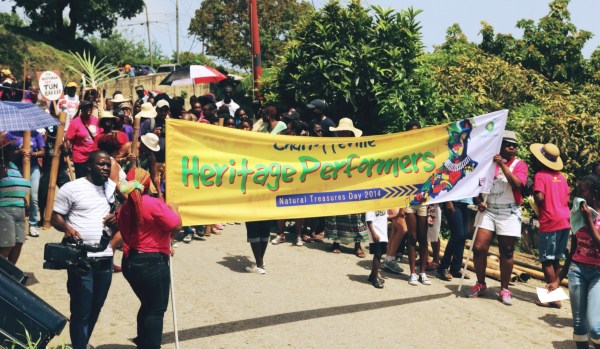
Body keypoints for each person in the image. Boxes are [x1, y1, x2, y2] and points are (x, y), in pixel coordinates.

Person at [51, 150, 117, 349]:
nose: (105, 168)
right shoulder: (72, 188)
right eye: (101, 164)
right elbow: (55, 217)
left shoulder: (112, 188)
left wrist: (117, 217)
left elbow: (121, 212)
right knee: (81, 309)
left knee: (96, 306)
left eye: (108, 165)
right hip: (81, 259)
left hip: (105, 257)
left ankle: (82, 343)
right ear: (89, 166)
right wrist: (67, 228)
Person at [118, 168, 182, 348]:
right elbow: (175, 225)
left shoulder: (124, 208)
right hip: (152, 263)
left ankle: (142, 341)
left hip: (131, 261)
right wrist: (175, 209)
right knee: (155, 309)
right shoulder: (153, 204)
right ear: (148, 184)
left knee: (147, 303)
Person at [466, 130, 528, 305]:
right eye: (507, 145)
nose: (511, 148)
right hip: (489, 210)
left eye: (514, 146)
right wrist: (478, 201)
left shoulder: (520, 165)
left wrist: (503, 165)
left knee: (506, 251)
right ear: (499, 146)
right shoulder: (487, 163)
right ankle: (481, 283)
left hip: (508, 212)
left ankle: (504, 289)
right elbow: (477, 187)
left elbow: (517, 185)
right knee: (478, 248)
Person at [547, 174, 600, 349]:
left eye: (581, 191)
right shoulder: (578, 215)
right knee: (578, 323)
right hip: (577, 270)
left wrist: (588, 221)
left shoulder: (590, 216)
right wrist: (557, 279)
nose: (577, 195)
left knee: (595, 328)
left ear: (594, 193)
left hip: (597, 274)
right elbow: (573, 249)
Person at [530, 142, 570, 308]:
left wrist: (537, 204)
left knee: (546, 259)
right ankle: (555, 292)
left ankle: (553, 296)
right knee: (556, 259)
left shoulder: (540, 175)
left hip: (549, 219)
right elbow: (567, 199)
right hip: (564, 220)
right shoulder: (562, 177)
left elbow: (539, 197)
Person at [324, 118, 368, 257]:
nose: (343, 134)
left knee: (356, 215)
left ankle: (358, 245)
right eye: (341, 132)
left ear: (350, 132)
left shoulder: (358, 147)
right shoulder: (333, 147)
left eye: (345, 131)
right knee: (336, 213)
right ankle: (336, 242)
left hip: (354, 184)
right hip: (337, 183)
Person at [5, 130, 45, 237]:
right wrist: (18, 152)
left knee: (33, 197)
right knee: (17, 196)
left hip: (33, 168)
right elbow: (6, 151)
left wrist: (33, 153)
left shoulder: (36, 134)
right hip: (16, 167)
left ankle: (33, 224)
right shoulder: (11, 134)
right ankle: (18, 222)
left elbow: (43, 151)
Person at [0, 136, 31, 265]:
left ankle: (11, 273)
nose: (15, 151)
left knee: (18, 243)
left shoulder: (13, 166)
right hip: (5, 210)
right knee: (7, 245)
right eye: (11, 149)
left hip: (19, 208)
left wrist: (24, 201)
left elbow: (16, 187)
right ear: (3, 152)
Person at [437, 198, 473, 280]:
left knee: (463, 236)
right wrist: (448, 201)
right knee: (457, 235)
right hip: (454, 202)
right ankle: (443, 267)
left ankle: (456, 268)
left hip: (467, 204)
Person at [66, 100, 98, 178]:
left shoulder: (96, 120)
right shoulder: (75, 122)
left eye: (90, 107)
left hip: (94, 157)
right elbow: (68, 139)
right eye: (86, 108)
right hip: (80, 157)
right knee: (81, 180)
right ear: (81, 109)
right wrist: (66, 151)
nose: (89, 109)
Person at [366, 210, 388, 289]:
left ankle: (372, 275)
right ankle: (375, 279)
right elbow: (368, 220)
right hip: (376, 234)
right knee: (377, 255)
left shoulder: (383, 205)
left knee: (380, 254)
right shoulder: (371, 205)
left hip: (383, 234)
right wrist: (373, 233)